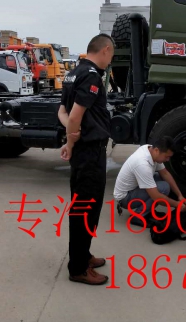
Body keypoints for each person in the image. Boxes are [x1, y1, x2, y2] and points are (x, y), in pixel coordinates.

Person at [58, 33, 115, 286]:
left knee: (87, 207)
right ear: (105, 50)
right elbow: (74, 117)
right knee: (85, 209)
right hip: (89, 152)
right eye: (111, 55)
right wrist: (71, 142)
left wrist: (71, 134)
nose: (110, 61)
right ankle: (78, 268)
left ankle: (84, 254)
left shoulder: (73, 73)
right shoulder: (91, 76)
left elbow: (63, 112)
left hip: (86, 150)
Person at [113, 136, 186, 227]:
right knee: (163, 187)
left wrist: (180, 195)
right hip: (125, 198)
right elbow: (156, 197)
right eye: (167, 156)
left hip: (133, 189)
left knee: (161, 178)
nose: (167, 160)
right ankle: (138, 216)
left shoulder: (149, 149)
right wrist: (177, 205)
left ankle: (148, 211)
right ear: (156, 150)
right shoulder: (142, 164)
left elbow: (165, 174)